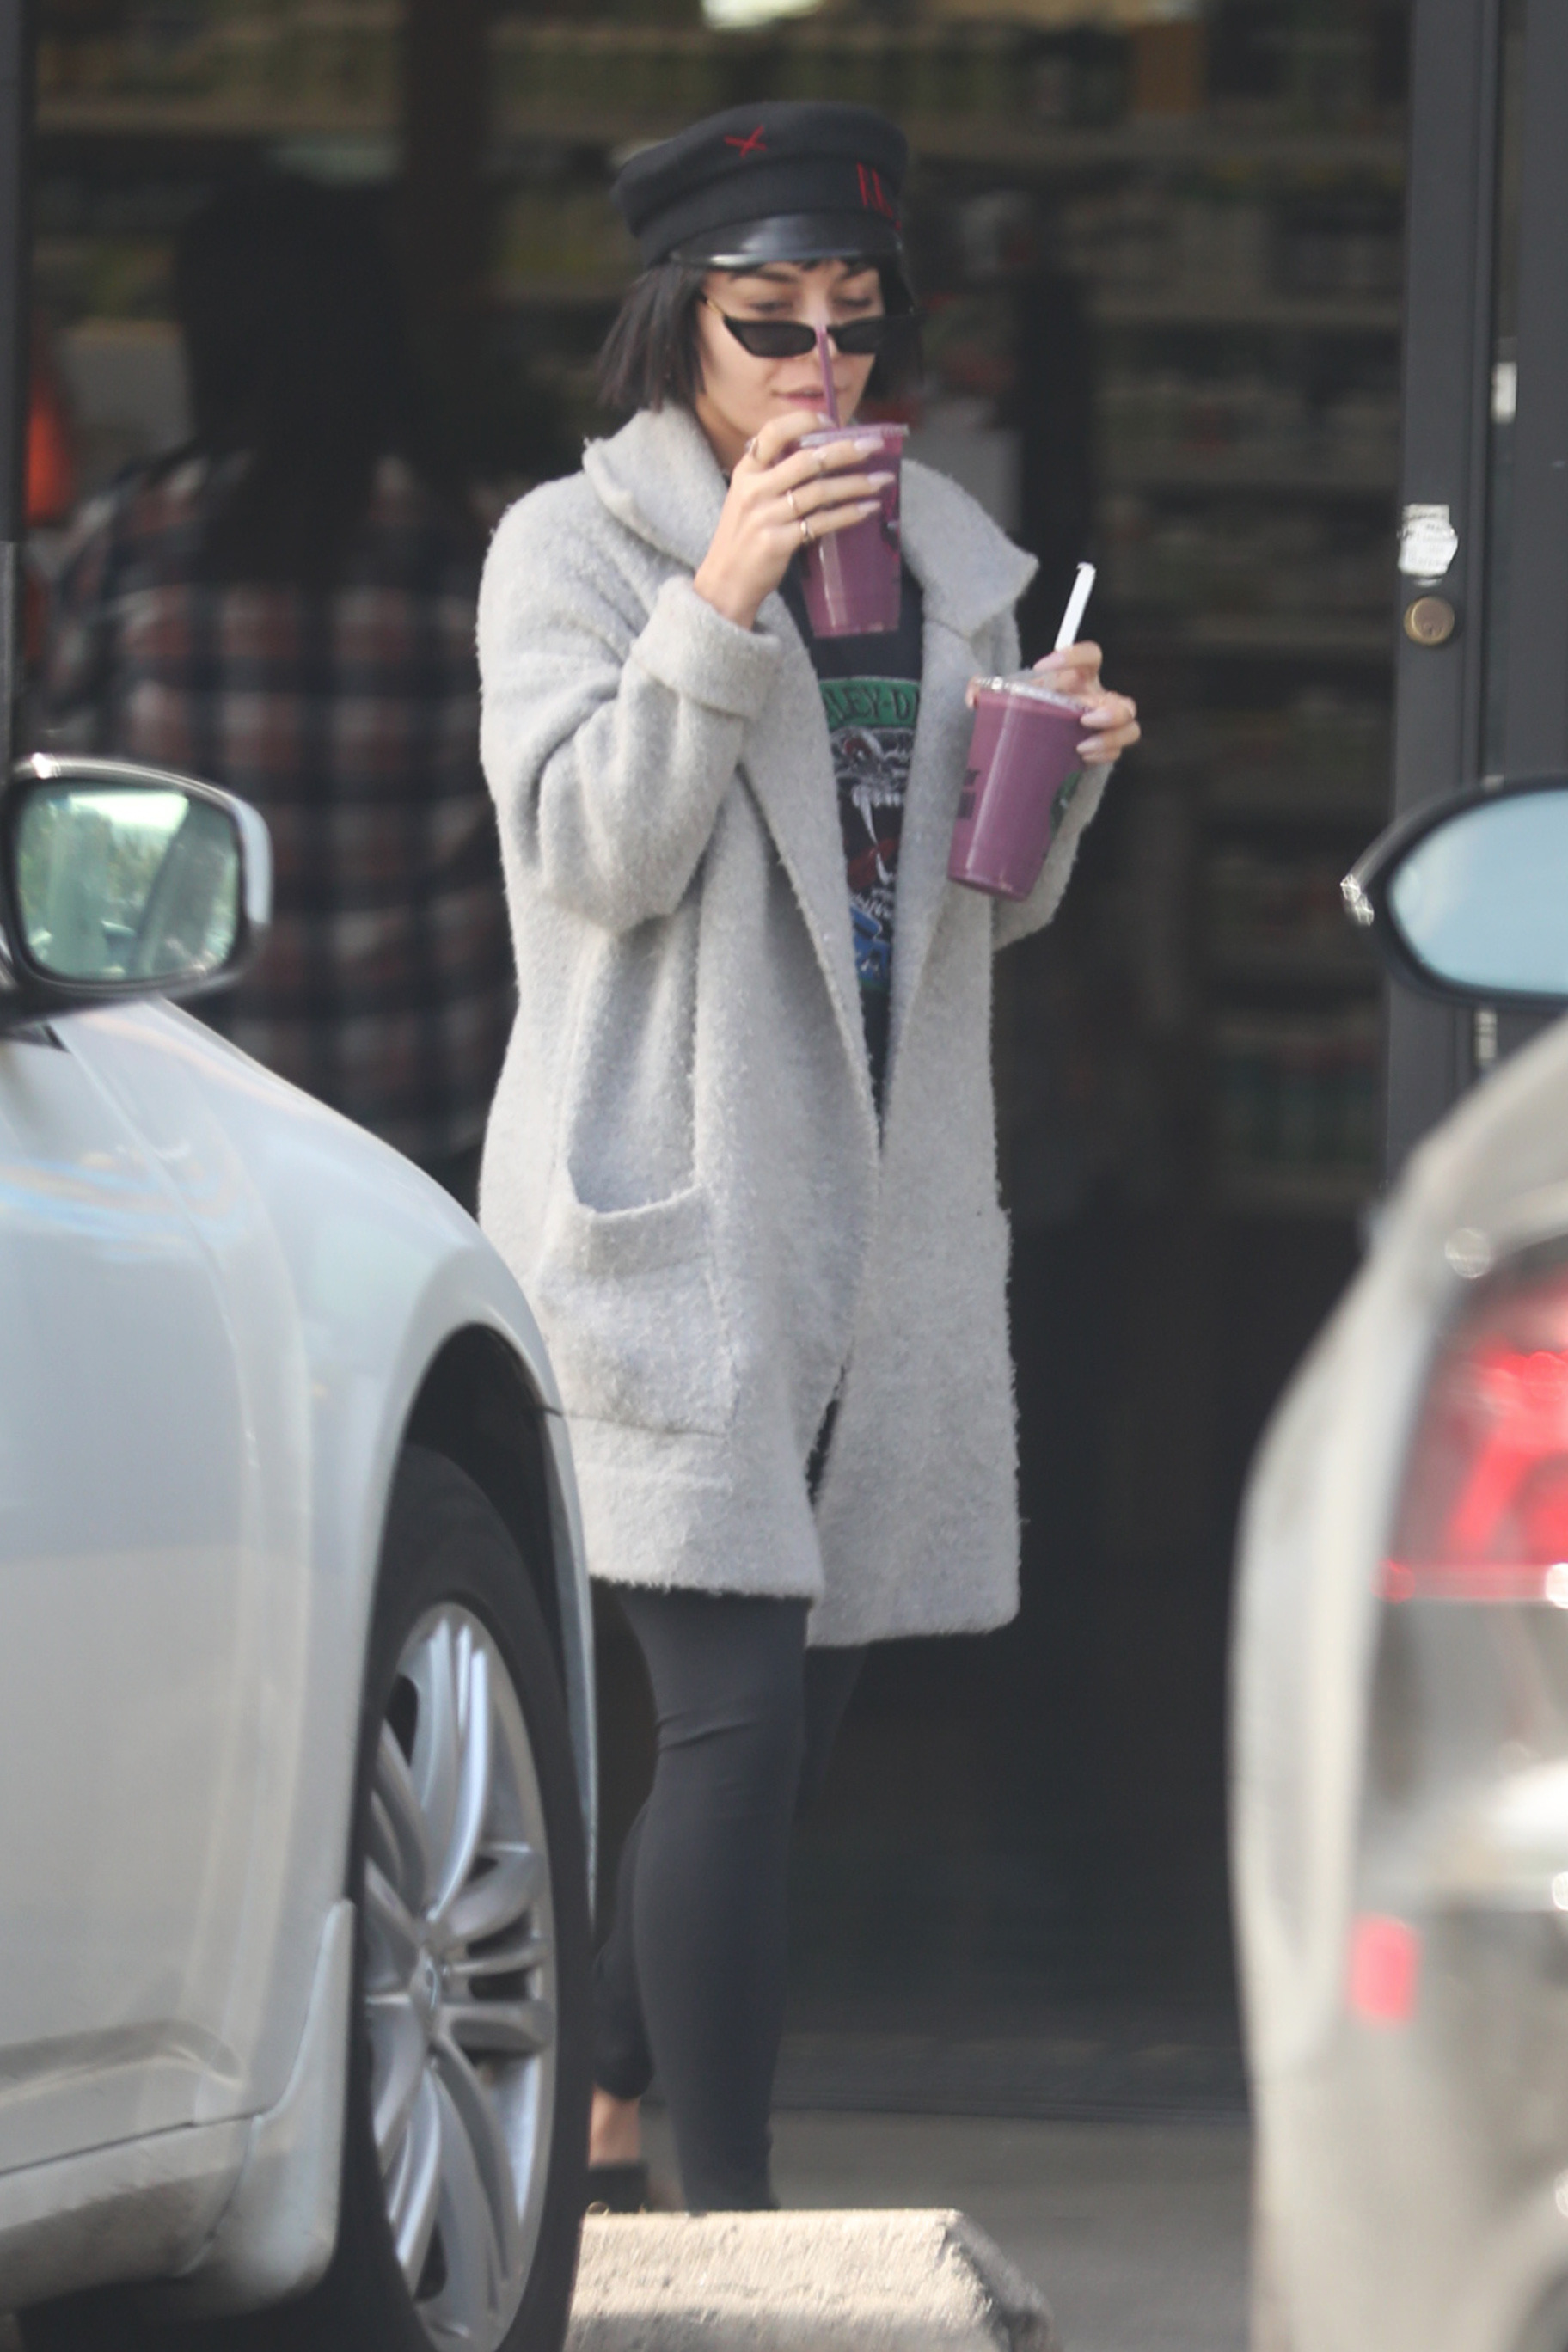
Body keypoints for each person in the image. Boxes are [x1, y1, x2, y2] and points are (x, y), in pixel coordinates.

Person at [476, 101, 1140, 2213]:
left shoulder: (949, 556)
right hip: (684, 1205)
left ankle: (602, 2090)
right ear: (680, 320)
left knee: (791, 1736)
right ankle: (725, 2223)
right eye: (773, 324)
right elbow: (593, 851)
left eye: (858, 319)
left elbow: (977, 915)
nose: (822, 368)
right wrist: (724, 595)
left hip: (879, 1208)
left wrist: (1057, 770)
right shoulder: (572, 549)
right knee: (736, 1729)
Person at [40, 177, 511, 1204]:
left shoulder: (131, 538)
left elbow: (65, 810)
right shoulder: (482, 544)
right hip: (431, 1106)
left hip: (186, 1103)